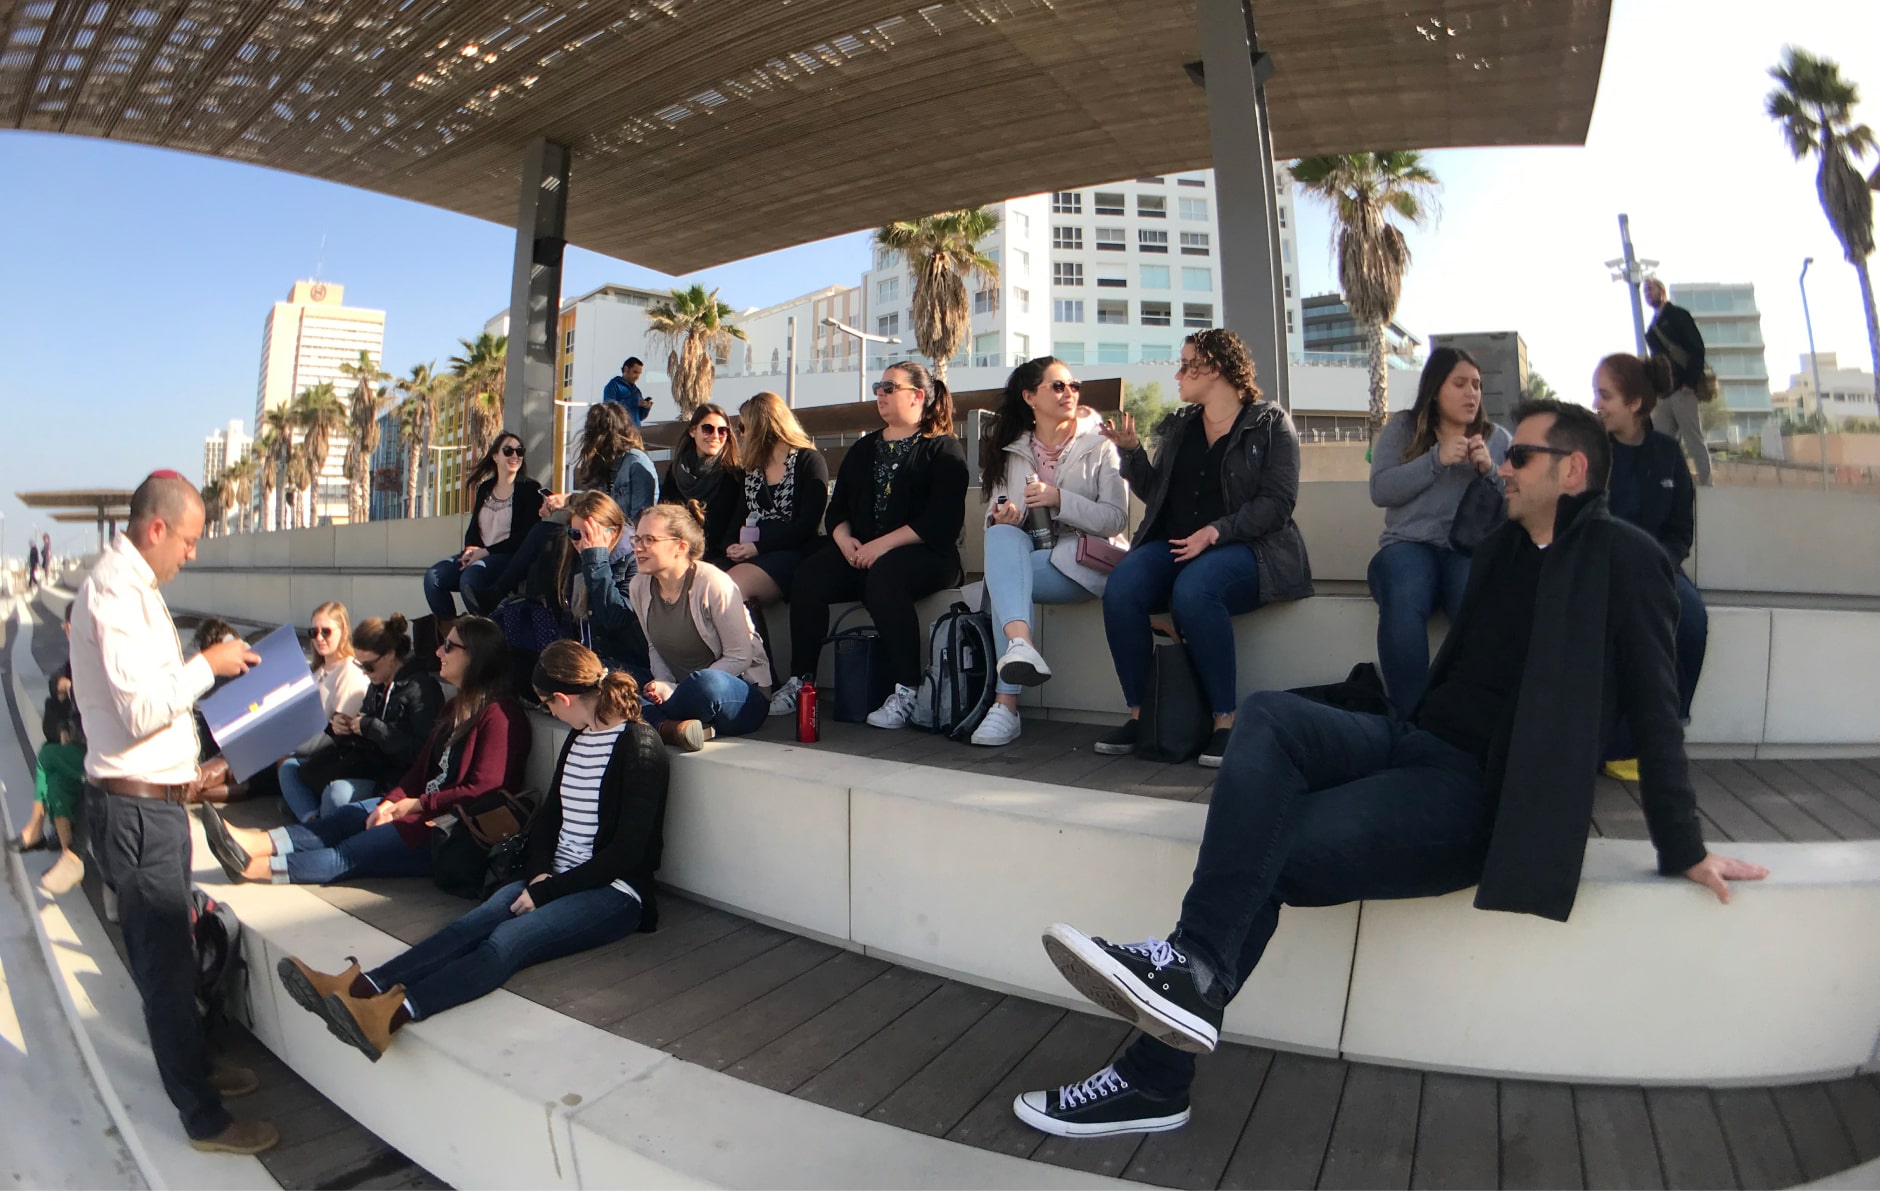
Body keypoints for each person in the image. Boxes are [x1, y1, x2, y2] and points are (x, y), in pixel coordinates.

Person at [1009, 399, 1770, 1140]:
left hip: (1473, 793)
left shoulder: (1627, 560)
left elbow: (1658, 708)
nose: (1503, 464)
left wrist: (1685, 846)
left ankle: (1157, 1068)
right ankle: (1190, 969)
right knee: (1269, 715)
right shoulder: (1505, 543)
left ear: (1572, 470)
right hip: (1413, 739)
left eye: (1521, 456)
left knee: (1268, 845)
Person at [273, 640, 668, 1062]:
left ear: (564, 699)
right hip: (552, 879)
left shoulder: (639, 747)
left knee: (506, 941)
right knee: (467, 926)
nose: (548, 713)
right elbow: (550, 817)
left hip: (614, 893)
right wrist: (537, 875)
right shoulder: (579, 736)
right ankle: (361, 987)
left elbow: (628, 852)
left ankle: (392, 1014)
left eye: (545, 704)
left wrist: (546, 892)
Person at [67, 471, 277, 1154]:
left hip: (153, 807)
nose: (190, 554)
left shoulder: (136, 590)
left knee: (178, 956)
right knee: (164, 966)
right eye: (187, 540)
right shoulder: (113, 593)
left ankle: (195, 1064)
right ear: (156, 528)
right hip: (135, 814)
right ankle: (203, 1116)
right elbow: (139, 711)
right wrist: (208, 664)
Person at [1094, 329, 1313, 768]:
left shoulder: (1269, 423)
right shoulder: (1180, 426)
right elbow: (1158, 494)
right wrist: (1133, 454)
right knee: (1121, 589)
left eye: (1185, 364)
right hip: (1176, 545)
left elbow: (1277, 503)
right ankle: (1144, 715)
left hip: (1250, 549)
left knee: (1194, 591)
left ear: (1212, 367)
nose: (1177, 374)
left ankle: (1224, 723)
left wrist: (1216, 531)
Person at [200, 616, 529, 886]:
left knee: (349, 852)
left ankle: (252, 869)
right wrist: (391, 801)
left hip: (444, 829)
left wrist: (413, 805)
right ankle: (252, 844)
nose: (439, 652)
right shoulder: (456, 707)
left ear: (475, 655)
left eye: (449, 646)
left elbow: (482, 790)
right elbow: (419, 770)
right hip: (421, 809)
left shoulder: (500, 716)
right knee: (345, 817)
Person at [768, 361, 970, 728]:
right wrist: (845, 543)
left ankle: (907, 688)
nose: (880, 393)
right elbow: (837, 510)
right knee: (810, 575)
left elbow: (940, 522)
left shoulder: (943, 450)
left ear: (918, 396)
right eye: (879, 386)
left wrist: (880, 547)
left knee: (886, 576)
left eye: (890, 387)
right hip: (861, 553)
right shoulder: (864, 448)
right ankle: (802, 680)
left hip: (927, 554)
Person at [974, 357, 1129, 747]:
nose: (1069, 393)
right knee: (1000, 540)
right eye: (1058, 386)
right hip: (1027, 554)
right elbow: (991, 516)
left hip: (1081, 562)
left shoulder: (1099, 448)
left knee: (1004, 580)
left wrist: (1059, 498)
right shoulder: (1009, 451)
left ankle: (1006, 704)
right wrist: (1004, 516)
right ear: (1029, 397)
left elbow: (1115, 519)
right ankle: (1021, 647)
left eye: (1073, 385)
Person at [1367, 348, 1512, 717]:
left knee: (1475, 599)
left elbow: (1517, 506)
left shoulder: (1497, 439)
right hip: (1408, 546)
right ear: (1435, 389)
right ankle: (1410, 717)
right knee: (1405, 594)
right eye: (1460, 384)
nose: (1472, 394)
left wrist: (1491, 473)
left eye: (1477, 385)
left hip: (1465, 550)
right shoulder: (1404, 427)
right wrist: (1435, 460)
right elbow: (1381, 490)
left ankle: (1469, 716)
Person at [1593, 351, 1709, 779]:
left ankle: (1665, 731)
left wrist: (1661, 562)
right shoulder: (1592, 453)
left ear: (1635, 404)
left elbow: (1681, 530)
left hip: (1659, 568)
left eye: (1605, 395)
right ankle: (1615, 744)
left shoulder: (1668, 454)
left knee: (1691, 618)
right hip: (1604, 567)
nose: (1597, 404)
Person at [627, 501, 773, 751]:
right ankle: (676, 728)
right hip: (677, 691)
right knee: (613, 676)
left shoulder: (713, 583)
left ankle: (655, 721)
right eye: (637, 539)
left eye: (649, 539)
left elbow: (739, 657)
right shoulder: (639, 586)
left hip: (736, 693)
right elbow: (654, 647)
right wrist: (662, 682)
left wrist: (674, 690)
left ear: (680, 547)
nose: (638, 548)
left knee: (707, 684)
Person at [479, 402, 659, 605]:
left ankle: (500, 596)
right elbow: (590, 504)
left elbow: (641, 518)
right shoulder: (603, 464)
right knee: (542, 550)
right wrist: (564, 502)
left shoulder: (636, 463)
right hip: (590, 533)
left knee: (545, 543)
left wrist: (569, 501)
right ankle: (534, 617)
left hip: (619, 541)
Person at [280, 614, 445, 823]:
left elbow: (422, 754)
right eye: (361, 666)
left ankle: (314, 821)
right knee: (289, 768)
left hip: (394, 780)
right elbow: (363, 741)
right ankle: (314, 821)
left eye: (368, 666)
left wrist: (373, 727)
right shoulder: (377, 685)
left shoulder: (422, 689)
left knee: (335, 793)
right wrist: (340, 728)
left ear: (390, 655)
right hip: (366, 766)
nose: (365, 673)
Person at [723, 391, 830, 609]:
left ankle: (750, 644)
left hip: (793, 551)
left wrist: (758, 548)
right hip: (751, 550)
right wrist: (730, 545)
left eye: (743, 427)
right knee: (703, 584)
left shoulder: (808, 461)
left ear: (761, 428)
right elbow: (738, 518)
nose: (740, 435)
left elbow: (807, 524)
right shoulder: (752, 469)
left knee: (728, 589)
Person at [422, 432, 545, 619]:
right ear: (495, 456)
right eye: (508, 450)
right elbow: (474, 527)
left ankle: (487, 636)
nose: (514, 456)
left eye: (519, 451)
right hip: (480, 554)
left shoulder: (530, 489)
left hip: (506, 557)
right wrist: (470, 550)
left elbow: (526, 537)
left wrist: (485, 552)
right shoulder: (485, 488)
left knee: (469, 580)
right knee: (433, 578)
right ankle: (452, 637)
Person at [8, 602, 86, 896]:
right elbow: (49, 723)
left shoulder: (99, 662)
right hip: (78, 751)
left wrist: (74, 690)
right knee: (54, 781)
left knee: (46, 756)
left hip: (101, 754)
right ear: (67, 630)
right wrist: (62, 728)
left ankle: (36, 827)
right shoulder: (63, 673)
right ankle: (68, 857)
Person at [555, 491, 653, 679]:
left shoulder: (634, 561)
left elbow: (615, 619)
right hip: (592, 658)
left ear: (614, 532)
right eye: (575, 534)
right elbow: (569, 622)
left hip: (627, 666)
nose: (582, 542)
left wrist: (596, 559)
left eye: (590, 534)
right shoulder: (576, 558)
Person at [1643, 278, 1712, 486]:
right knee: (1661, 441)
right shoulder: (1653, 326)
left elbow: (1697, 348)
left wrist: (1689, 382)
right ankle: (1667, 485)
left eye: (1650, 288)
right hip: (1665, 393)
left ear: (1662, 291)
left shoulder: (1677, 316)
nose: (1647, 293)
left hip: (1683, 389)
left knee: (1693, 440)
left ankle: (1707, 484)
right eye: (1645, 290)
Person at [661, 404, 743, 568]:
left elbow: (736, 525)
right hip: (679, 555)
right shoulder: (676, 471)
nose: (715, 436)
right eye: (707, 429)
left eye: (722, 431)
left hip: (721, 558)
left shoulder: (734, 474)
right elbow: (664, 515)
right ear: (693, 431)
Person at [603, 357, 653, 427]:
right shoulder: (613, 386)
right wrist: (634, 402)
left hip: (635, 432)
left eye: (639, 373)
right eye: (635, 372)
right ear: (626, 369)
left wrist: (646, 407)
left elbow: (640, 417)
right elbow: (610, 409)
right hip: (620, 431)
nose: (637, 376)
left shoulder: (636, 391)